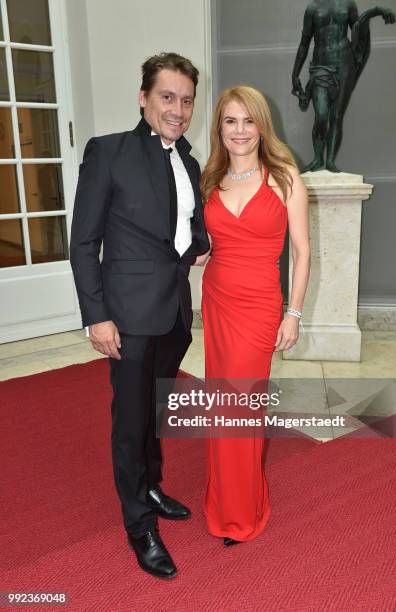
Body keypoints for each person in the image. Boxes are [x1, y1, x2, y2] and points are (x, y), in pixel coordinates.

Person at [70, 52, 209, 579]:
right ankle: (139, 523)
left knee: (156, 410)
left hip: (174, 312)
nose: (178, 109)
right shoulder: (108, 152)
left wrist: (201, 242)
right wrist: (96, 316)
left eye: (186, 100)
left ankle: (152, 483)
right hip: (125, 315)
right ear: (144, 97)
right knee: (130, 422)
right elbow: (83, 242)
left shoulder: (190, 162)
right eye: (168, 97)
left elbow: (187, 230)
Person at [198, 86, 310, 545]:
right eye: (230, 121)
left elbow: (302, 253)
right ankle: (223, 500)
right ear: (219, 129)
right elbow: (205, 247)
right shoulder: (210, 179)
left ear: (262, 126)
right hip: (218, 301)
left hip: (260, 305)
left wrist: (294, 313)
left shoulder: (284, 178)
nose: (240, 131)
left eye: (248, 121)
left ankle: (243, 512)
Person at [292, 0, 395, 172]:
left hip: (344, 64)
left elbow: (357, 28)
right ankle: (318, 158)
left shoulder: (348, 4)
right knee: (321, 115)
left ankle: (330, 160)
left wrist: (374, 12)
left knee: (337, 116)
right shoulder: (312, 8)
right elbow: (304, 43)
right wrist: (294, 74)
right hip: (321, 66)